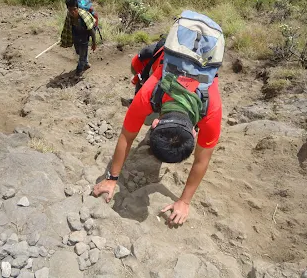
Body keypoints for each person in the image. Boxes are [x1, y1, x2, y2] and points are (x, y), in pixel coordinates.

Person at [93, 50, 222, 226]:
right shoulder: (147, 95)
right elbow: (126, 136)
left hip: (201, 63)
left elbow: (202, 160)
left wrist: (184, 202)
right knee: (135, 65)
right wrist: (111, 178)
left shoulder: (212, 110)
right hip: (167, 57)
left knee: (139, 116)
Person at [60, 0, 97, 76]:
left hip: (84, 38)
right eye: (70, 10)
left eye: (74, 9)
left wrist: (94, 43)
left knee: (82, 55)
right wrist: (65, 39)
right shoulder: (69, 16)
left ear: (77, 8)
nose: (73, 12)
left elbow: (92, 31)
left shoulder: (83, 16)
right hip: (76, 37)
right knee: (79, 52)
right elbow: (67, 28)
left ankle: (79, 70)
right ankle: (86, 63)